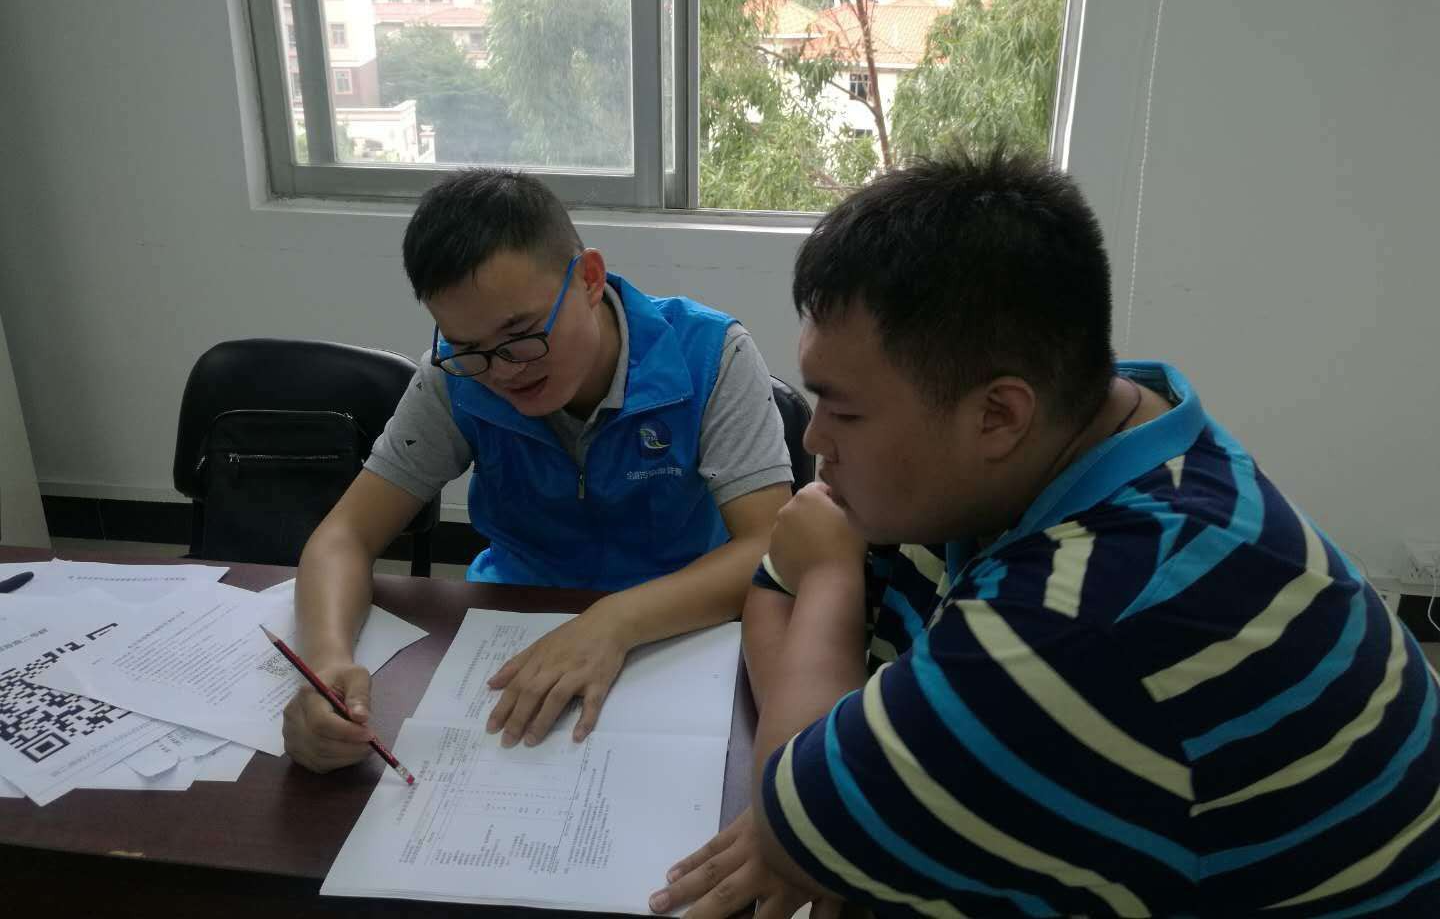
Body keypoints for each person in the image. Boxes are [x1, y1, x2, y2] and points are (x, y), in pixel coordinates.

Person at [745, 147, 1440, 916]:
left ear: (999, 414)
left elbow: (786, 827)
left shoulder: (1084, 616)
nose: (813, 440)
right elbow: (778, 579)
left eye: (843, 412)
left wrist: (831, 583)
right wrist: (825, 772)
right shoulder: (1096, 428)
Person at [282, 168, 793, 777]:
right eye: (467, 347)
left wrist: (615, 621)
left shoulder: (710, 356)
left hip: (680, 633)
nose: (502, 372)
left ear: (589, 279)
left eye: (521, 334)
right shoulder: (454, 379)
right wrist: (326, 663)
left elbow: (767, 546)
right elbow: (344, 536)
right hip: (509, 631)